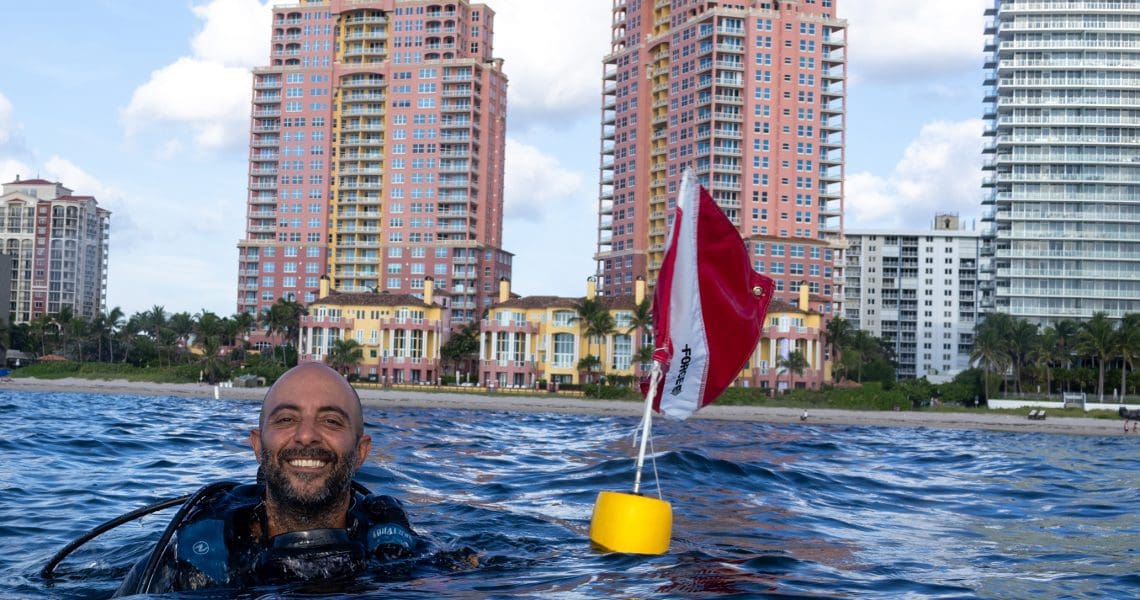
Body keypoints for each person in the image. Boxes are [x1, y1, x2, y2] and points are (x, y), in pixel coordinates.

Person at [115, 363, 422, 595]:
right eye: (286, 419)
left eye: (331, 421)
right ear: (258, 446)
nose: (306, 436)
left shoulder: (406, 560)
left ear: (361, 452)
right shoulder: (180, 562)